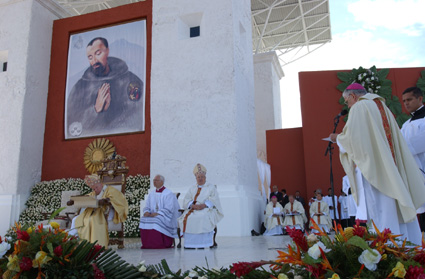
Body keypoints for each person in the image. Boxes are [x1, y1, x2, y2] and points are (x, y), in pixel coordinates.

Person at [329, 83, 425, 244]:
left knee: (381, 211)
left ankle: (389, 249)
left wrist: (337, 138)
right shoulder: (381, 106)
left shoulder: (359, 108)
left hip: (376, 170)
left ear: (353, 96)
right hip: (391, 167)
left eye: (347, 101)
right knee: (395, 207)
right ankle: (408, 247)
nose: (348, 105)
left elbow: (355, 139)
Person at [66, 37, 144, 138]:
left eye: (98, 54)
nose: (94, 60)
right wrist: (96, 110)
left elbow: (138, 118)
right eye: (90, 57)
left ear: (107, 51)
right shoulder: (79, 89)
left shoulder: (130, 80)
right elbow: (71, 128)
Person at [68, 174, 128, 248]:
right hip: (94, 212)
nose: (95, 190)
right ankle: (71, 241)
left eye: (96, 187)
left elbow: (119, 200)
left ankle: (94, 245)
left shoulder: (111, 190)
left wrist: (106, 200)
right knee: (76, 219)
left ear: (101, 184)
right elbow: (86, 198)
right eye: (93, 189)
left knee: (90, 220)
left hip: (107, 213)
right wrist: (73, 201)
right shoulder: (94, 193)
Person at [178, 164, 223, 249]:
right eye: (198, 177)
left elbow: (214, 199)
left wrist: (203, 205)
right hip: (193, 209)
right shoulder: (192, 188)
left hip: (206, 209)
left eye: (202, 177)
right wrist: (193, 205)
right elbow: (186, 199)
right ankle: (190, 244)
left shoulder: (211, 187)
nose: (200, 178)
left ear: (205, 177)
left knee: (203, 217)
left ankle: (203, 243)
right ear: (196, 178)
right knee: (188, 218)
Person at [400, 86, 425, 232]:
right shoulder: (406, 124)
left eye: (409, 99)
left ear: (420, 99)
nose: (406, 103)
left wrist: (399, 148)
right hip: (413, 173)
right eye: (404, 101)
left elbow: (417, 144)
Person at [139, 175, 181, 249]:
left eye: (156, 180)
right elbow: (147, 206)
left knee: (157, 220)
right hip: (152, 215)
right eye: (154, 180)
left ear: (162, 182)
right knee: (143, 219)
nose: (154, 182)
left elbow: (169, 208)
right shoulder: (151, 194)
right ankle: (147, 244)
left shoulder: (168, 193)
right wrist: (146, 212)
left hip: (165, 216)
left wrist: (158, 213)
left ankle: (159, 244)